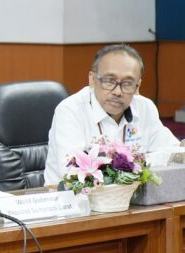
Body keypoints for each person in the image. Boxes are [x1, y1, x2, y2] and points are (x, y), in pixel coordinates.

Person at [44, 44, 180, 185]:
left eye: (128, 83)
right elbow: (72, 172)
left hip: (135, 203)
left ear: (137, 87)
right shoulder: (70, 110)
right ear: (92, 79)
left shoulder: (145, 108)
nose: (118, 92)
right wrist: (140, 163)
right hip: (74, 202)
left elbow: (175, 154)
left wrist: (139, 162)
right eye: (109, 81)